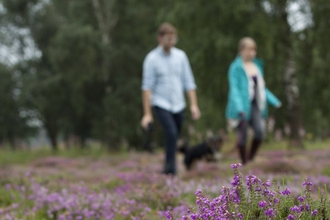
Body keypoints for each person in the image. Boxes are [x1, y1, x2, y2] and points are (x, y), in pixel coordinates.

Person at [141, 22, 201, 175]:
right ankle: (171, 168)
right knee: (171, 133)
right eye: (168, 39)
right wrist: (147, 114)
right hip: (161, 103)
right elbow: (147, 88)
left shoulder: (181, 56)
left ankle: (168, 166)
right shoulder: (151, 59)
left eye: (174, 39)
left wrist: (194, 105)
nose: (172, 42)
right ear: (160, 38)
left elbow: (189, 82)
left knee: (173, 136)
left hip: (178, 103)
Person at [226, 37, 281, 165]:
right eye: (249, 49)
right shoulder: (236, 67)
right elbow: (235, 89)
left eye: (253, 50)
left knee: (260, 131)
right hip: (241, 106)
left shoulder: (257, 66)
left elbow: (262, 88)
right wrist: (240, 108)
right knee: (242, 134)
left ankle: (250, 158)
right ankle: (243, 163)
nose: (252, 53)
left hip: (256, 104)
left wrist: (274, 100)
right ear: (241, 50)